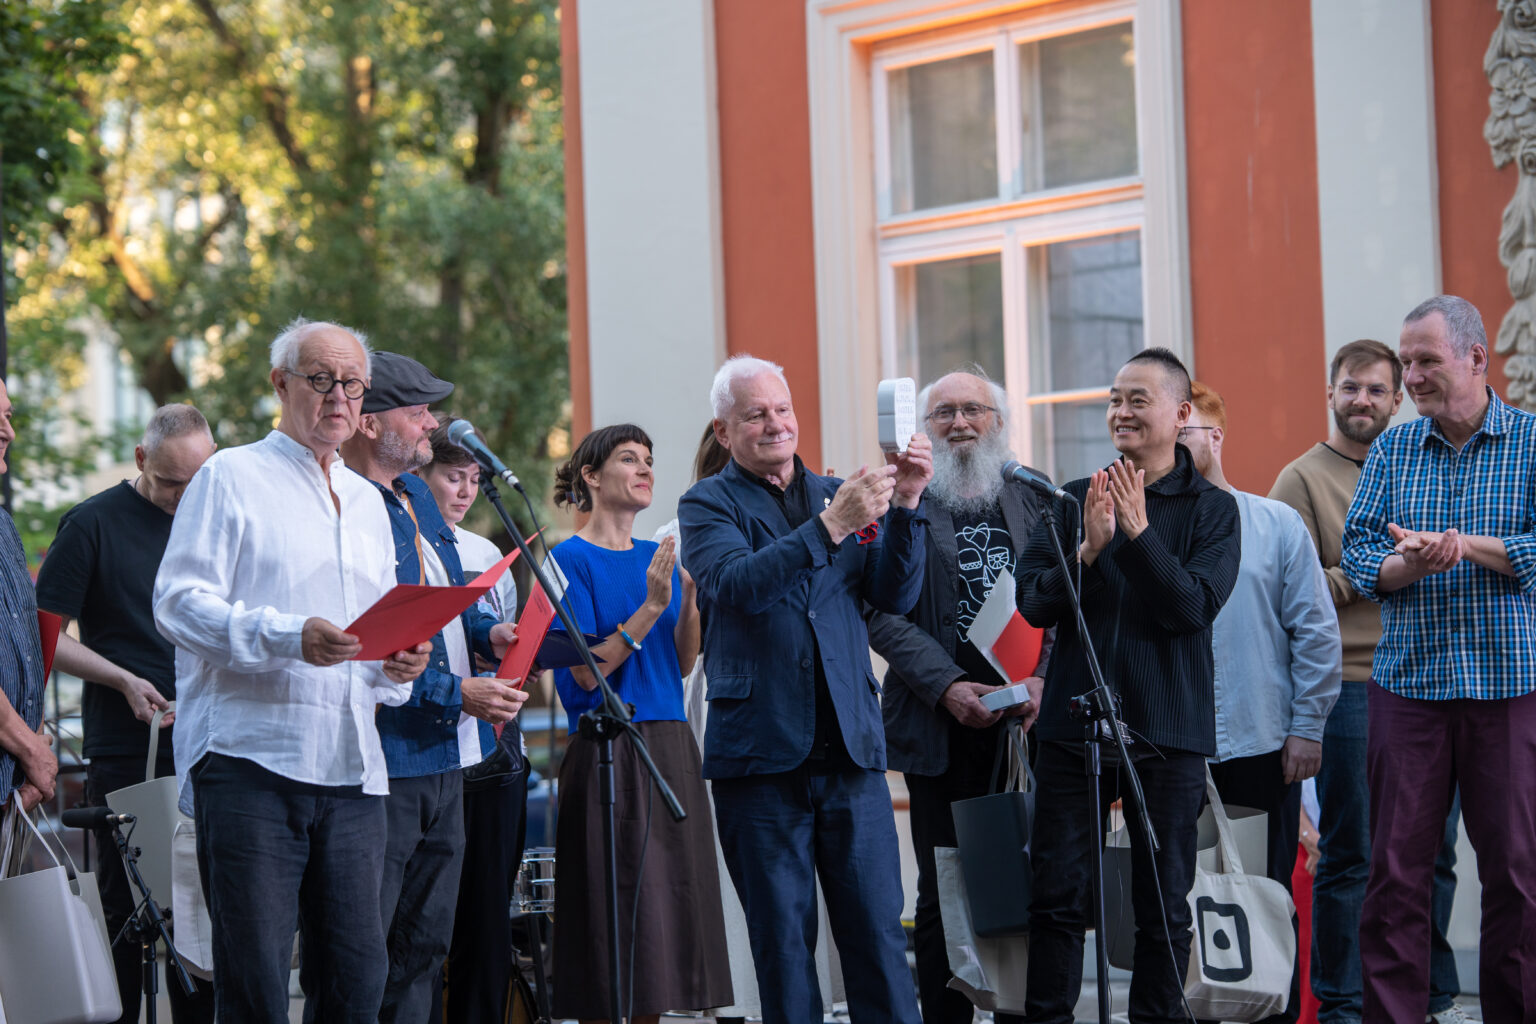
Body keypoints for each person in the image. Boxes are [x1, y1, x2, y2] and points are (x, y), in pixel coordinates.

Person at [152, 318, 433, 1023]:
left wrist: (398, 664)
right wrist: (286, 636)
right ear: (281, 384)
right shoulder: (231, 474)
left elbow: (364, 643)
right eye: (320, 380)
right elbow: (179, 604)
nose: (339, 397)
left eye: (353, 384)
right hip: (252, 763)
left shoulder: (371, 503)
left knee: (357, 982)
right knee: (255, 985)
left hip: (353, 771)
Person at [679, 354, 933, 1024]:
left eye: (782, 409)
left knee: (878, 937)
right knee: (784, 948)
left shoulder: (833, 492)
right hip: (761, 759)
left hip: (849, 752)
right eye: (755, 414)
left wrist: (906, 502)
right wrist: (830, 527)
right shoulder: (706, 504)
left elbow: (893, 595)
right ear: (725, 430)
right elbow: (736, 586)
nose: (775, 423)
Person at [1016, 347, 1241, 1024]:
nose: (1120, 411)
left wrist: (1138, 536)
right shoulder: (1071, 498)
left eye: (1137, 399)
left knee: (1163, 906)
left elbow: (1192, 609)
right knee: (1054, 900)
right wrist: (1087, 551)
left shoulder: (1213, 512)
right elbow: (1032, 603)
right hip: (1071, 732)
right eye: (1114, 399)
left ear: (1180, 414)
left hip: (1165, 732)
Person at [1341, 295, 1536, 1023]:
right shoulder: (1393, 449)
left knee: (1517, 874)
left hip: (1509, 687)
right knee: (1394, 874)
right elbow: (1360, 556)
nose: (1410, 376)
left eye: (1425, 360)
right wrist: (1407, 564)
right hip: (1409, 688)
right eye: (1407, 361)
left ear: (1477, 359)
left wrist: (1464, 546)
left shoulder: (1532, 443)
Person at [1270, 338, 1473, 1024]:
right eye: (1351, 387)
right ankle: (1345, 1004)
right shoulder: (1301, 479)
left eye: (1377, 390)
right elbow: (1286, 593)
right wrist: (1383, 568)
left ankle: (1428, 994)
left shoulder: (1419, 468)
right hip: (1352, 685)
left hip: (1431, 676)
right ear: (1331, 393)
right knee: (1354, 853)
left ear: (1397, 399)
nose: (1363, 400)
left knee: (1434, 852)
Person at [339, 353, 525, 1023]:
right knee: (365, 953)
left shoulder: (417, 495)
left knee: (425, 945)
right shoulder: (343, 505)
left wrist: (487, 635)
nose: (432, 423)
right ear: (367, 423)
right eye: (417, 411)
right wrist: (460, 694)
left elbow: (445, 596)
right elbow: (373, 642)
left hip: (450, 760)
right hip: (385, 760)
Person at [866, 369, 1050, 1024]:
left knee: (1020, 883)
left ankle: (1016, 1013)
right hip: (938, 727)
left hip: (1021, 732)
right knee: (944, 892)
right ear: (923, 428)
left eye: (974, 409)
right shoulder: (902, 501)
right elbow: (880, 612)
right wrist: (946, 685)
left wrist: (1042, 681)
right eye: (943, 412)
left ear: (998, 422)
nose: (960, 422)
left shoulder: (1035, 496)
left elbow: (1068, 603)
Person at [35, 403, 218, 1024]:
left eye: (198, 480)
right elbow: (43, 637)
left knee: (206, 912)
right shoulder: (91, 523)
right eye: (172, 482)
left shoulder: (215, 517)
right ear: (142, 461)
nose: (184, 496)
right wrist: (120, 679)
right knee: (128, 911)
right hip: (127, 745)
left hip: (213, 740)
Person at [545, 423, 732, 1023]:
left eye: (649, 458)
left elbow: (678, 665)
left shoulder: (663, 558)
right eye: (629, 458)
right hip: (608, 747)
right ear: (591, 478)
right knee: (616, 910)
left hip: (671, 742)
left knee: (669, 916)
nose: (645, 467)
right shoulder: (564, 560)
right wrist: (650, 608)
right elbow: (581, 675)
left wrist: (690, 602)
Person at [1181, 380, 1342, 1024]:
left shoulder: (1275, 523)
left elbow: (1315, 628)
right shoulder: (1139, 531)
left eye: (1181, 431)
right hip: (1171, 754)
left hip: (1258, 746)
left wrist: (1308, 727)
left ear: (1214, 436)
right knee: (1180, 911)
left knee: (1264, 907)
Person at [416, 414, 531, 1024]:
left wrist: (507, 645)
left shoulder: (487, 553)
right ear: (419, 475)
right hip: (425, 748)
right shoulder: (402, 542)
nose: (464, 491)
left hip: (488, 750)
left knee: (487, 913)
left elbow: (481, 638)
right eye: (452, 477)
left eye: (474, 479)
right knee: (427, 921)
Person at [0, 378, 57, 821]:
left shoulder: (4, 526)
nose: (9, 432)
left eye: (8, 415)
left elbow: (27, 642)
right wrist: (31, 748)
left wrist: (32, 748)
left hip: (12, 788)